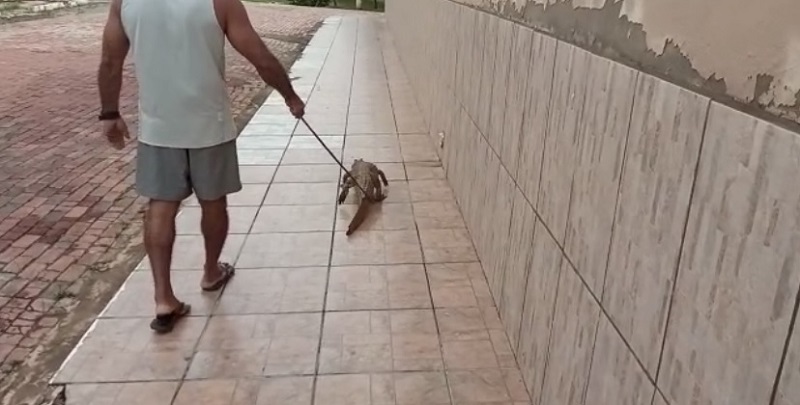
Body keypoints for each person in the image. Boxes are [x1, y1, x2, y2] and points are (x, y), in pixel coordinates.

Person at [97, 0, 304, 333]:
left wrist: (109, 113)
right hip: (211, 123)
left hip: (159, 126)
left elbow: (110, 61)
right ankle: (210, 272)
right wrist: (290, 96)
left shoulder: (125, 2)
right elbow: (258, 55)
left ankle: (164, 298)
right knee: (213, 202)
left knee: (160, 206)